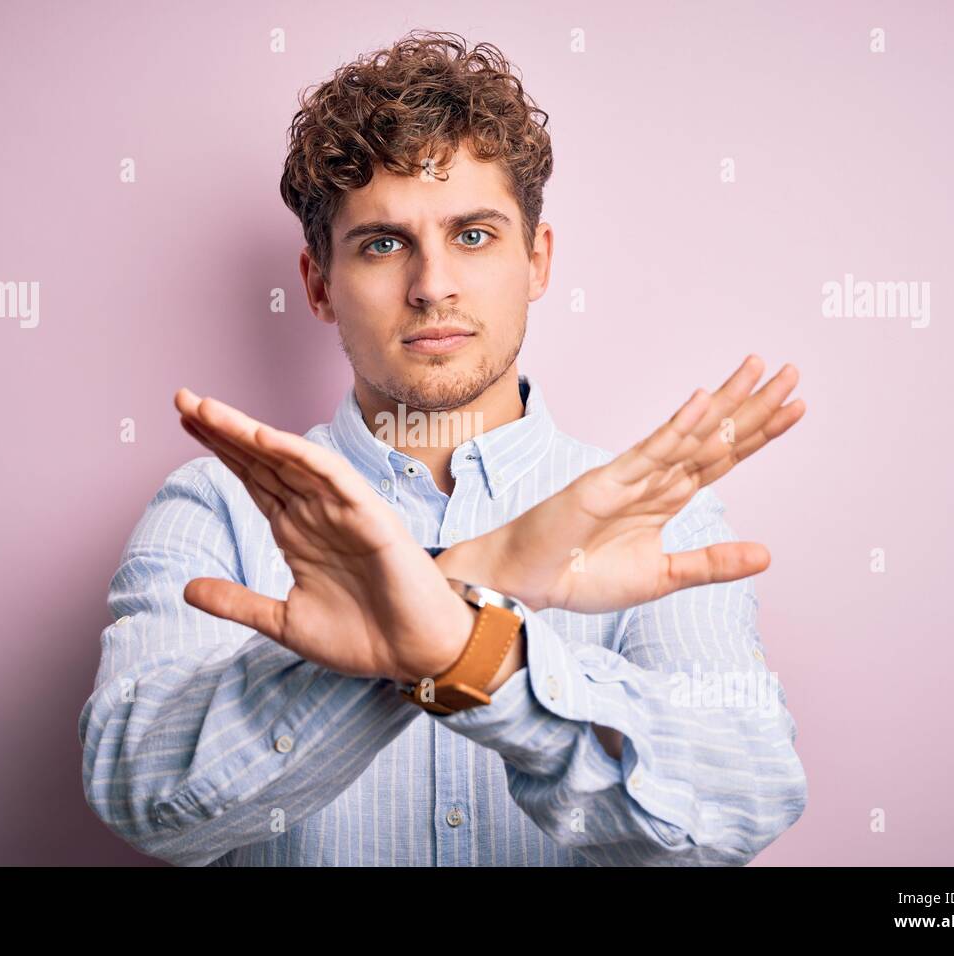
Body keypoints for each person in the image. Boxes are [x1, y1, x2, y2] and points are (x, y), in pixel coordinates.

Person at [77, 30, 808, 866]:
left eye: (473, 235)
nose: (433, 285)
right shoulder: (215, 506)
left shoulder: (660, 515)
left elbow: (734, 807)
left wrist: (473, 652)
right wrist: (487, 572)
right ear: (319, 285)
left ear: (536, 260)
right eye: (384, 243)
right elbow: (146, 796)